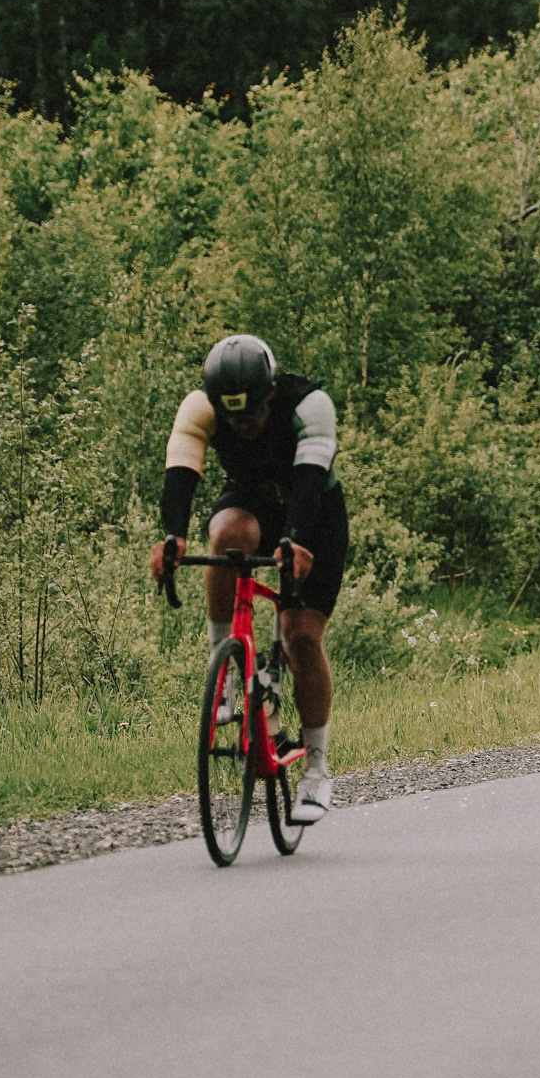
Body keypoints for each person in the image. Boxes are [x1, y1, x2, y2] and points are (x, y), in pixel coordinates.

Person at [149, 333, 349, 825]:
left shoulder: (311, 405)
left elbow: (307, 481)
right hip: (253, 502)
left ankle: (318, 769)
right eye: (232, 420)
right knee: (226, 538)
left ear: (271, 395)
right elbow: (181, 472)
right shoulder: (199, 408)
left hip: (314, 513)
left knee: (300, 635)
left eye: (253, 417)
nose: (243, 428)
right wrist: (172, 536)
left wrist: (297, 540)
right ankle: (227, 671)